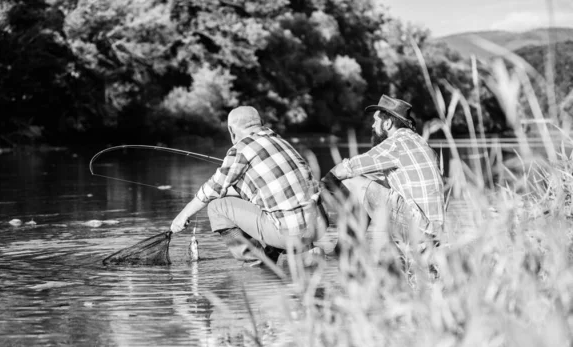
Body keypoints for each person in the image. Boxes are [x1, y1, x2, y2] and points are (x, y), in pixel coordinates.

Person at [170, 106, 328, 266]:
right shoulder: (280, 141)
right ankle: (303, 251)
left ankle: (259, 261)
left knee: (216, 207)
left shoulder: (242, 149)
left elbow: (212, 189)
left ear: (232, 132)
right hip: (319, 225)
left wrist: (182, 216)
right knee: (252, 203)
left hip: (291, 232)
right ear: (262, 123)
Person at [322, 95, 445, 265]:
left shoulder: (397, 143)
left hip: (416, 228)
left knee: (352, 183)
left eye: (375, 120)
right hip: (432, 232)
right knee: (366, 185)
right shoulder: (420, 143)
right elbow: (380, 180)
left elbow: (348, 168)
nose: (373, 125)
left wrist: (322, 190)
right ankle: (347, 250)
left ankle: (345, 251)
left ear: (387, 123)